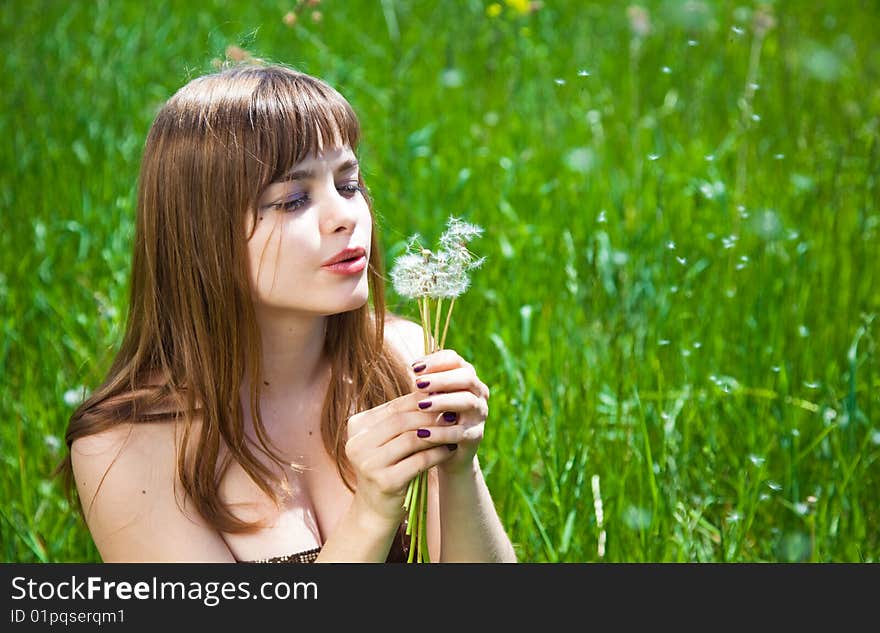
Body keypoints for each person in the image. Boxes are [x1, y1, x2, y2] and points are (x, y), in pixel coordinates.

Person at [59, 62, 517, 563]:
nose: (345, 215)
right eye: (293, 199)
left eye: (348, 184)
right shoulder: (124, 450)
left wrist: (460, 468)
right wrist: (371, 512)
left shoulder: (401, 359)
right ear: (202, 237)